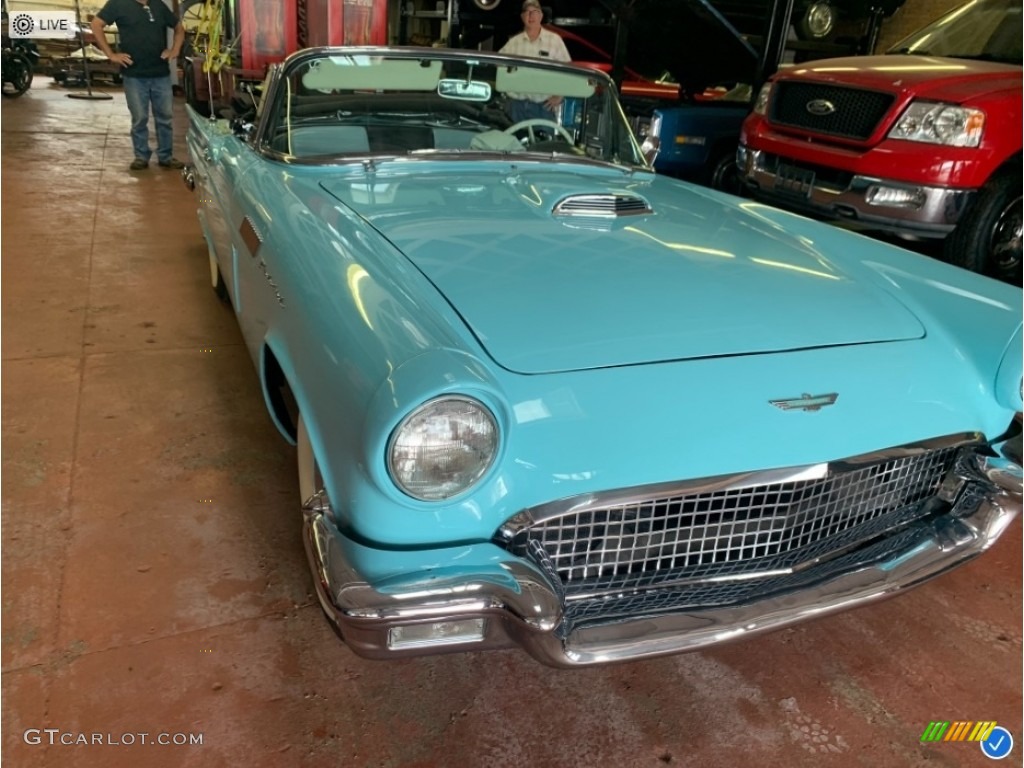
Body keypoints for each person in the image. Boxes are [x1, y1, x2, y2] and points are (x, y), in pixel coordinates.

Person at [91, 1, 186, 171]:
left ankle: (166, 156)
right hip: (134, 75)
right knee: (140, 118)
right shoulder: (118, 4)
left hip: (160, 73)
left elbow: (179, 28)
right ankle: (141, 156)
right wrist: (110, 54)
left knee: (165, 118)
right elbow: (96, 24)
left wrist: (175, 50)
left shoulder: (158, 5)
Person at [498, 0, 571, 124]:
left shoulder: (555, 40)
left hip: (543, 108)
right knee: (511, 142)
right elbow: (498, 64)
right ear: (522, 17)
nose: (531, 16)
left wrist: (560, 96)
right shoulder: (513, 43)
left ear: (541, 16)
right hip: (515, 107)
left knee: (544, 143)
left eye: (535, 12)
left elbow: (569, 70)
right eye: (527, 12)